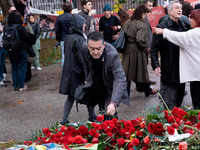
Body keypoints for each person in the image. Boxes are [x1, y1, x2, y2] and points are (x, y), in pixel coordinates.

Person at [153, 9, 200, 109]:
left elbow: (180, 37)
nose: (189, 20)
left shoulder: (194, 33)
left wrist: (163, 31)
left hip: (197, 77)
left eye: (192, 18)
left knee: (198, 104)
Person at [81, 31, 129, 119]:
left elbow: (120, 78)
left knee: (109, 111)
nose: (95, 52)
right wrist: (87, 78)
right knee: (99, 105)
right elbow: (86, 64)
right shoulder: (84, 48)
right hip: (96, 79)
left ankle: (113, 125)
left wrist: (113, 102)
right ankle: (97, 120)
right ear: (88, 46)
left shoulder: (112, 54)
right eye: (92, 48)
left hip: (109, 82)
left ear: (104, 45)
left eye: (99, 48)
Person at [59, 14, 95, 124]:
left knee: (71, 96)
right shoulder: (79, 39)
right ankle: (92, 116)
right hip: (78, 72)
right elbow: (83, 59)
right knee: (88, 93)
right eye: (83, 23)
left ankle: (64, 119)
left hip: (70, 71)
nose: (85, 25)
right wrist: (86, 76)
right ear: (78, 24)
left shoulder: (68, 38)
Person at [122, 4, 158, 97]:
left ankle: (126, 94)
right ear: (142, 13)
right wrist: (144, 48)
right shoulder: (141, 24)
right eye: (146, 13)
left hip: (127, 50)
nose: (146, 15)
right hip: (137, 51)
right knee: (141, 72)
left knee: (127, 73)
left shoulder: (128, 22)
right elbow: (140, 40)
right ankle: (147, 90)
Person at [6, 10, 30, 91]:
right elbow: (27, 38)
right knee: (21, 67)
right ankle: (21, 85)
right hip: (21, 50)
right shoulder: (20, 27)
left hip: (10, 50)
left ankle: (15, 85)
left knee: (14, 67)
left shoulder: (7, 27)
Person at [55, 2, 72, 67]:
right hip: (72, 39)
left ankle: (65, 73)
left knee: (64, 55)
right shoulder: (73, 17)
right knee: (72, 56)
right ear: (70, 8)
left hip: (63, 39)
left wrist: (59, 39)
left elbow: (57, 30)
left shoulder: (59, 18)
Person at [144, 0, 156, 85]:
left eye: (152, 6)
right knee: (143, 64)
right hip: (144, 46)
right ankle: (144, 83)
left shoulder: (145, 16)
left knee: (145, 63)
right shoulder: (143, 17)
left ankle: (146, 80)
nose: (151, 7)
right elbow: (144, 33)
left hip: (146, 45)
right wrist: (147, 46)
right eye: (149, 6)